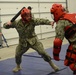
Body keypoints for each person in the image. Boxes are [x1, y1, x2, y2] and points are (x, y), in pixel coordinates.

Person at [3, 7, 59, 72]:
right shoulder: (17, 23)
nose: (29, 17)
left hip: (34, 41)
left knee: (43, 52)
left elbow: (40, 20)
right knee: (17, 54)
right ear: (23, 17)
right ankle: (18, 66)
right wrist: (7, 24)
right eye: (27, 16)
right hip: (23, 43)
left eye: (29, 15)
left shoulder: (32, 21)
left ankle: (53, 65)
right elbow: (5, 26)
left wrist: (49, 22)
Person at [50, 3, 76, 75]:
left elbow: (57, 41)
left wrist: (56, 55)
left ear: (57, 13)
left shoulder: (61, 23)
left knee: (72, 62)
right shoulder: (73, 15)